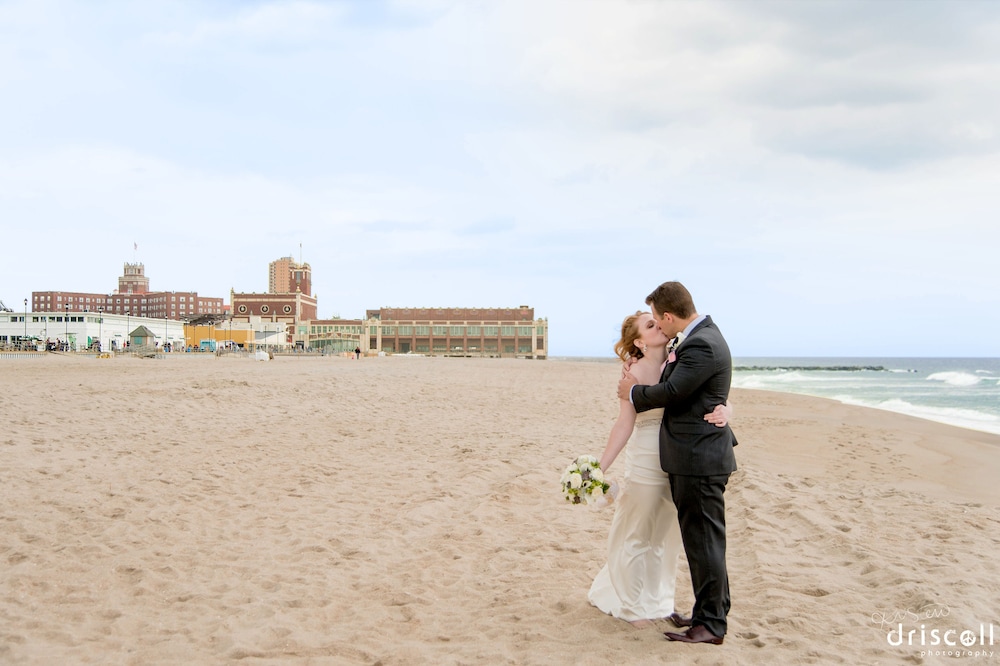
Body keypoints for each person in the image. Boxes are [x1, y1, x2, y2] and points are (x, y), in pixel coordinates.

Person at [589, 310, 730, 628]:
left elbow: (708, 392)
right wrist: (599, 467)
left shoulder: (680, 359)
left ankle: (658, 602)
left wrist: (726, 408)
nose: (659, 327)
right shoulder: (634, 372)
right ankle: (632, 603)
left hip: (678, 460)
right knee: (637, 533)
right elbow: (624, 424)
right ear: (639, 340)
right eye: (650, 326)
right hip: (645, 460)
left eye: (658, 322)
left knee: (665, 538)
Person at [617, 281, 737, 645]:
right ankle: (708, 613)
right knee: (704, 543)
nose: (658, 325)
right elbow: (702, 392)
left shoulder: (700, 343)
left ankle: (712, 625)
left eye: (657, 319)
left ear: (668, 316)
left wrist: (632, 392)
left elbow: (673, 391)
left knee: (704, 544)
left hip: (699, 460)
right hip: (695, 457)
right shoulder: (702, 336)